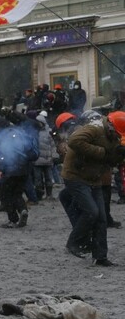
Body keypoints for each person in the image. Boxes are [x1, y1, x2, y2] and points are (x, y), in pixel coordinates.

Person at [60, 111, 125, 266]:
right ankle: (74, 243)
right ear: (110, 125)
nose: (117, 136)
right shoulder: (94, 129)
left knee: (101, 218)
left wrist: (119, 155)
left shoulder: (114, 135)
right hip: (75, 176)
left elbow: (111, 159)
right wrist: (102, 152)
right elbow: (74, 141)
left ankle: (100, 256)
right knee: (91, 212)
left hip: (94, 178)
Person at [0, 113, 39, 228]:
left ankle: (13, 219)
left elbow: (5, 155)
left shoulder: (5, 137)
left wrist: (1, 169)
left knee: (6, 195)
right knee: (17, 193)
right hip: (25, 169)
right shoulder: (20, 132)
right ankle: (22, 210)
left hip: (11, 170)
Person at [33, 112, 59, 201]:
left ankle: (46, 194)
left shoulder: (45, 132)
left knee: (45, 178)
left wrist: (54, 155)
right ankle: (43, 194)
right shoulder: (42, 132)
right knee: (40, 179)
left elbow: (52, 145)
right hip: (41, 160)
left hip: (43, 159)